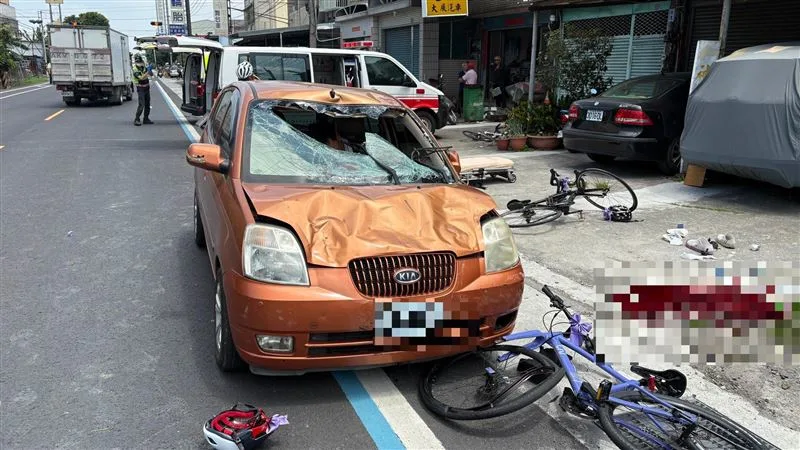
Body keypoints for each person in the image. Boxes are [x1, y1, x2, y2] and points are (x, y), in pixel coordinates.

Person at [132, 54, 154, 126]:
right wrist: (147, 72)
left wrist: (150, 71)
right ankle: (137, 119)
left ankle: (146, 119)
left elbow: (151, 75)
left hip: (146, 88)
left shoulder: (144, 67)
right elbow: (141, 78)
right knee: (142, 104)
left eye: (140, 62)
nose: (139, 63)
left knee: (147, 104)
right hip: (140, 88)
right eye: (138, 62)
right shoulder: (135, 69)